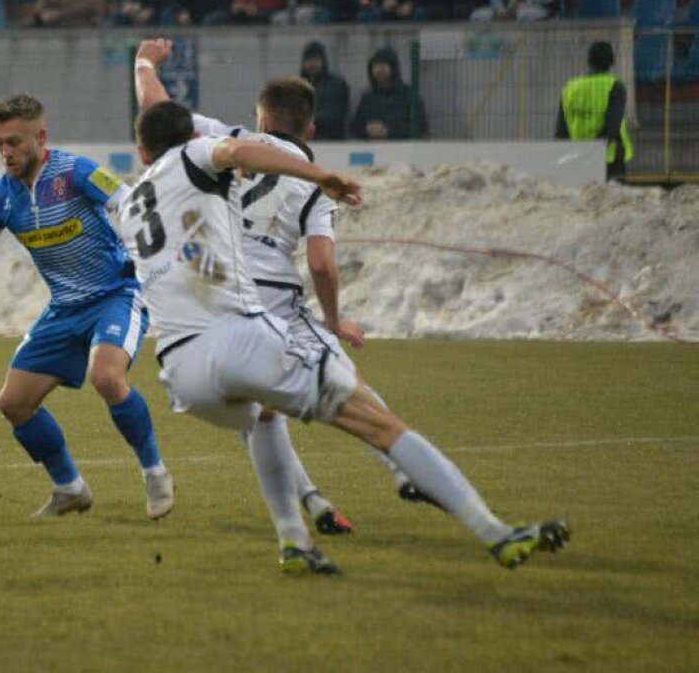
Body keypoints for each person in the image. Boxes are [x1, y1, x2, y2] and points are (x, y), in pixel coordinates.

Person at [119, 97, 570, 573]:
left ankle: (295, 542)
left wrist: (147, 65)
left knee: (266, 417)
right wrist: (320, 176)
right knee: (379, 422)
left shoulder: (133, 201)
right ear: (190, 139)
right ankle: (496, 533)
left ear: (142, 153)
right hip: (236, 336)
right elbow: (235, 153)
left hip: (180, 370)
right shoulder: (197, 154)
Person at [0, 94, 175, 520]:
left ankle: (154, 473)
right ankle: (70, 488)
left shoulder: (77, 172)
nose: (6, 152)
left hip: (115, 295)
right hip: (63, 309)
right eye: (0, 143)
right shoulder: (1, 198)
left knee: (107, 376)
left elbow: (132, 204)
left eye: (16, 142)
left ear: (40, 138)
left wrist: (144, 253)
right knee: (13, 403)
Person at [555, 41, 633, 182]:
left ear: (588, 61)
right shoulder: (615, 86)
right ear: (612, 61)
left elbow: (561, 130)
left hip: (577, 155)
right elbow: (612, 127)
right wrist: (595, 151)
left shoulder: (570, 88)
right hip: (609, 157)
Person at [349, 47, 428, 139]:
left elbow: (419, 127)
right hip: (372, 148)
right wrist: (368, 129)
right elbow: (354, 127)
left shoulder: (409, 95)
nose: (379, 70)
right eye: (375, 66)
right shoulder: (368, 98)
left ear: (393, 68)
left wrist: (388, 131)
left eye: (383, 66)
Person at [300, 42, 350, 140]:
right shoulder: (298, 87)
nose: (312, 64)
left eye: (315, 60)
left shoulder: (337, 84)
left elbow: (340, 114)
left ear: (323, 61)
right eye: (308, 60)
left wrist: (313, 120)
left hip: (331, 140)